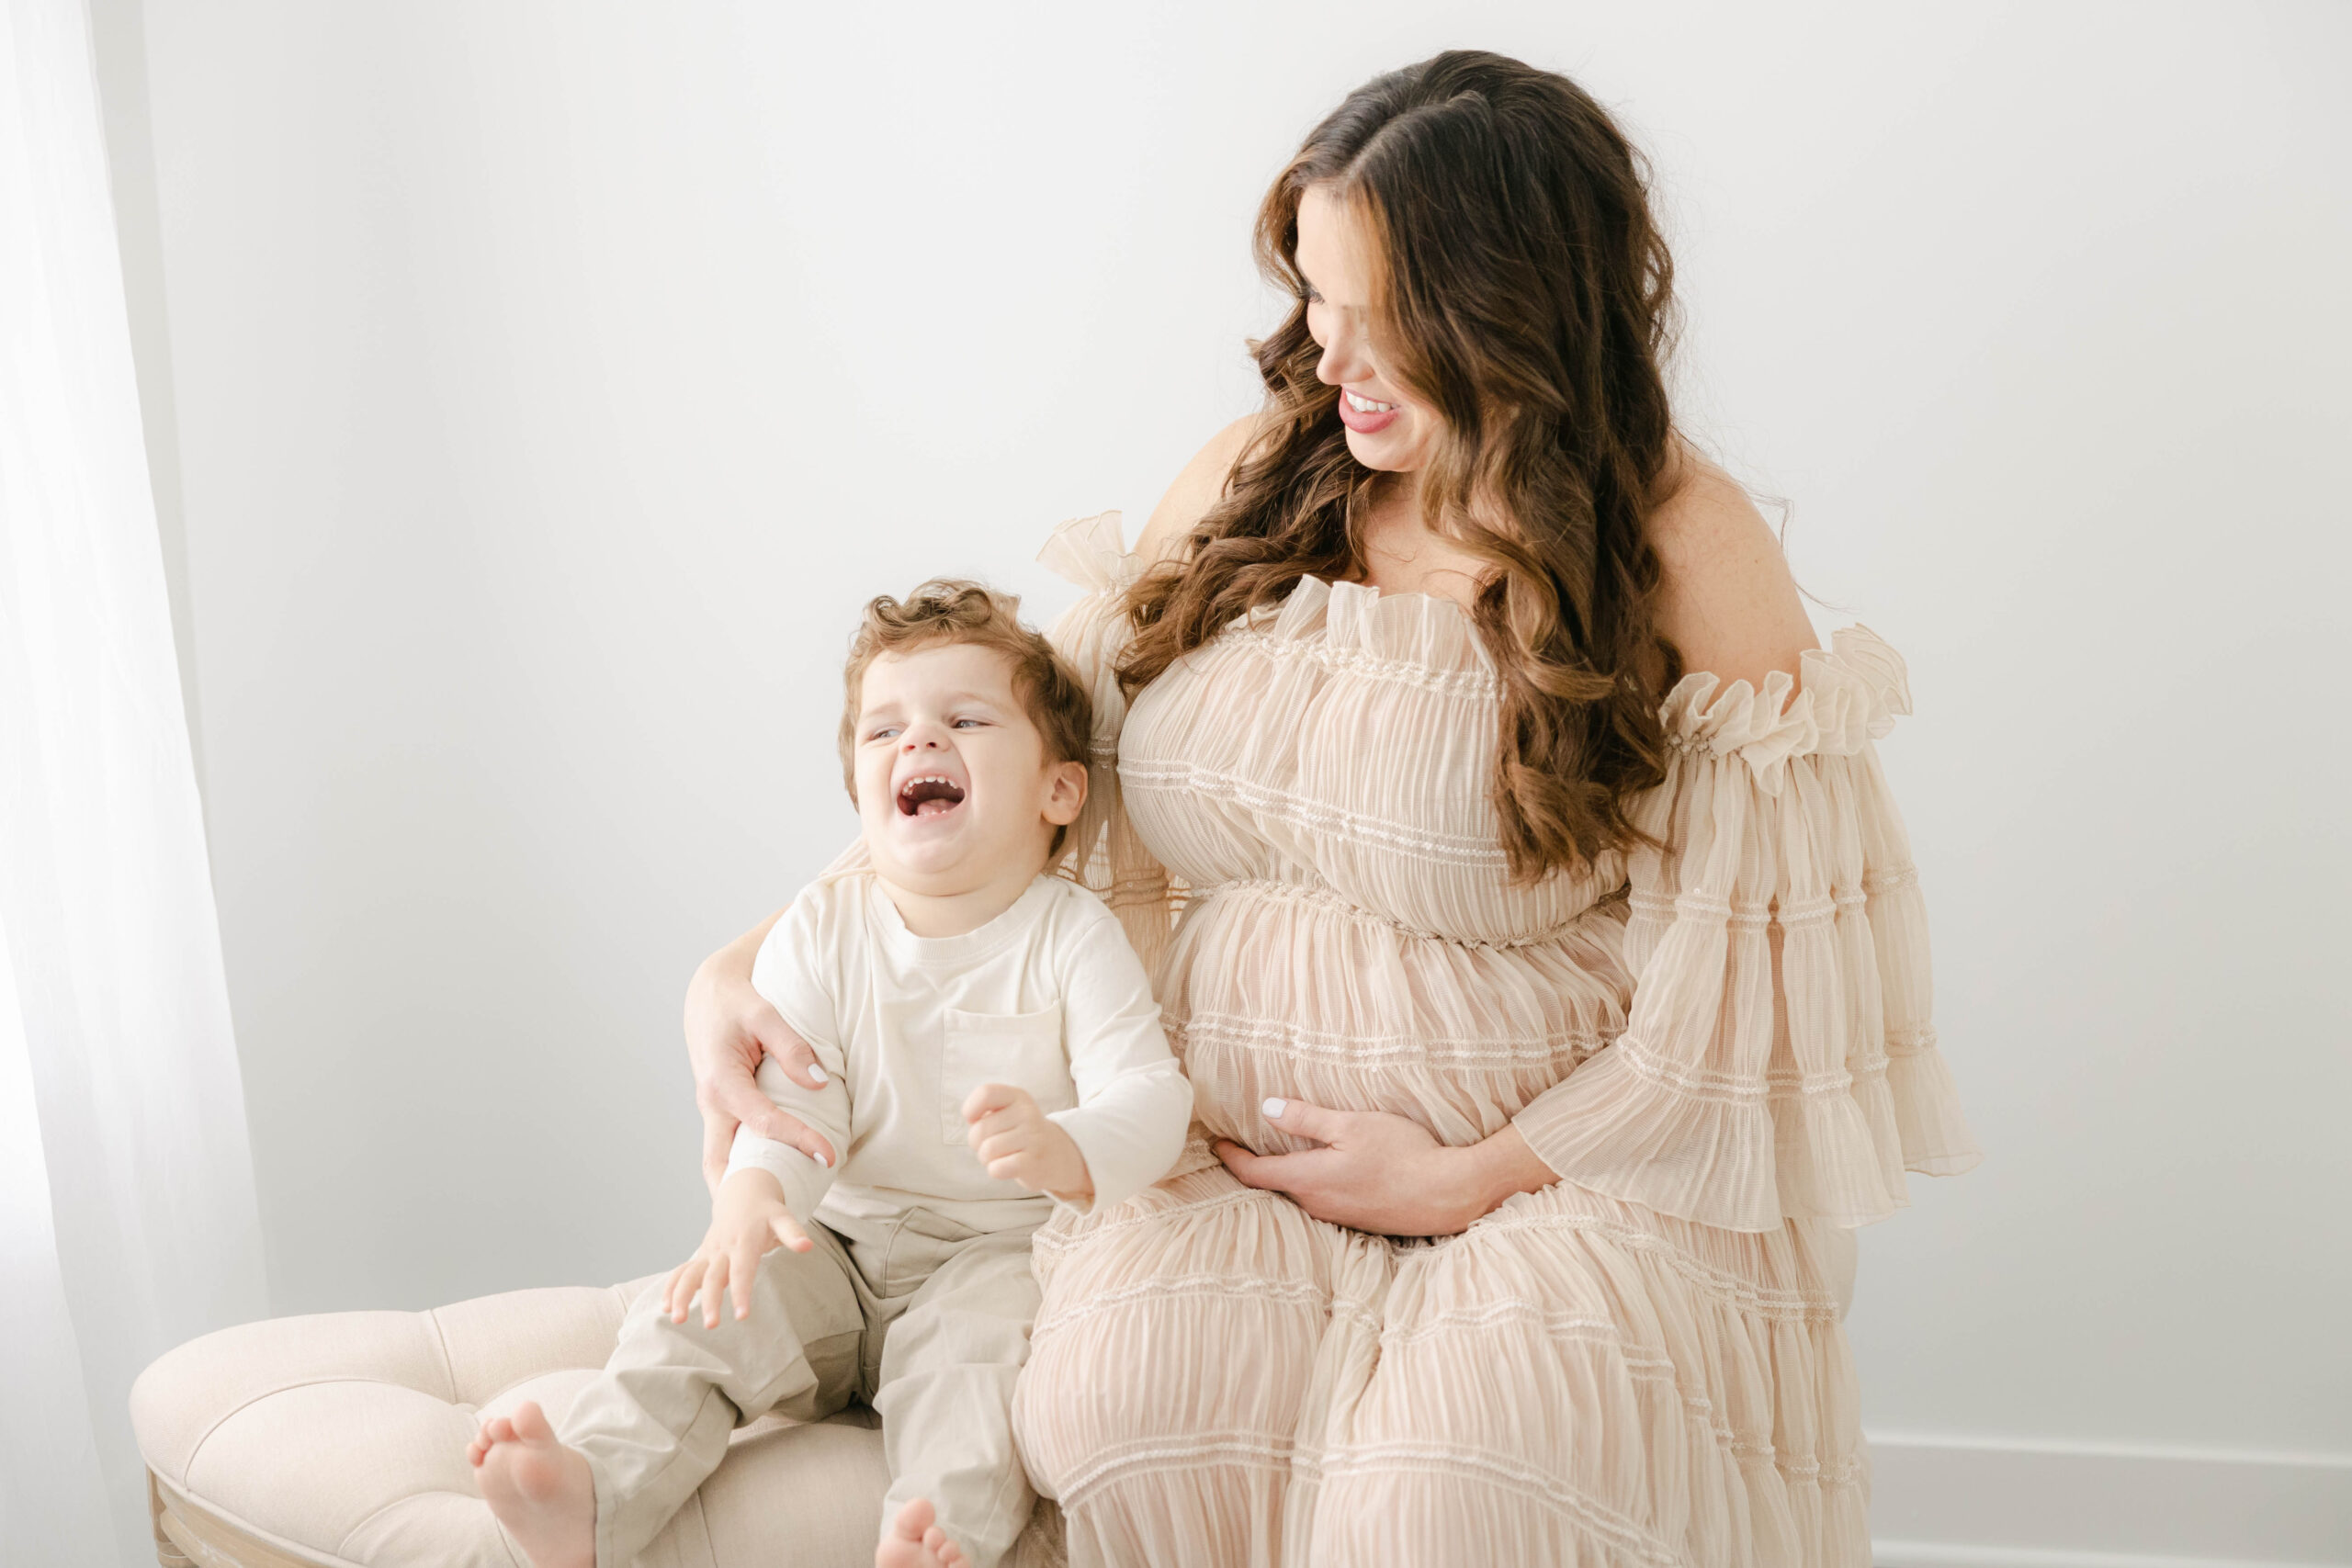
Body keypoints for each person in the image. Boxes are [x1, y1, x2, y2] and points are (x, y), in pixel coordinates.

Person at [687, 50, 1979, 1566]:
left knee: (1443, 1503)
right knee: (1114, 1407)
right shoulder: (1259, 478)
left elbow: (1759, 992)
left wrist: (1465, 1178)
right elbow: (1037, 771)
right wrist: (748, 960)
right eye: (1316, 297)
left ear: (1515, 309)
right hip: (1227, 1162)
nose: (1331, 358)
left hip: (1566, 1190)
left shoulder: (1678, 544)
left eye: (1386, 321)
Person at [469, 582, 1193, 1568]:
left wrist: (1066, 1147)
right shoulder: (822, 925)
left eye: (964, 720)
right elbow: (797, 1097)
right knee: (697, 1312)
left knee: (971, 1375)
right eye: (884, 731)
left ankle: (937, 1539)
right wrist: (751, 1200)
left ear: (1057, 791)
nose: (918, 744)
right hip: (839, 1244)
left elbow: (1150, 1100)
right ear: (860, 794)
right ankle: (592, 1494)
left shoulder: (1072, 938)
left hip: (991, 1258)